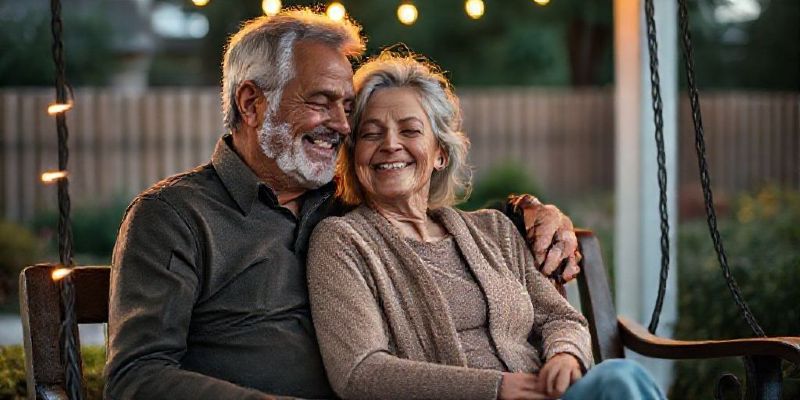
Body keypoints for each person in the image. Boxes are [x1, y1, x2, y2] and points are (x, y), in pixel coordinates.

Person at [104, 9, 581, 400]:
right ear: (251, 104)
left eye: (347, 107)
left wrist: (529, 209)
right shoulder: (174, 216)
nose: (342, 125)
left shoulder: (340, 202)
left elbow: (440, 218)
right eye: (321, 102)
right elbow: (137, 376)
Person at [307, 52, 667, 400]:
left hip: (551, 394)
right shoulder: (343, 242)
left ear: (440, 153)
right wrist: (498, 388)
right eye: (370, 135)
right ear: (354, 157)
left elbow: (560, 317)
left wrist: (565, 355)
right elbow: (360, 372)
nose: (390, 145)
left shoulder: (495, 230)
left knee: (620, 378)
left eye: (410, 130)